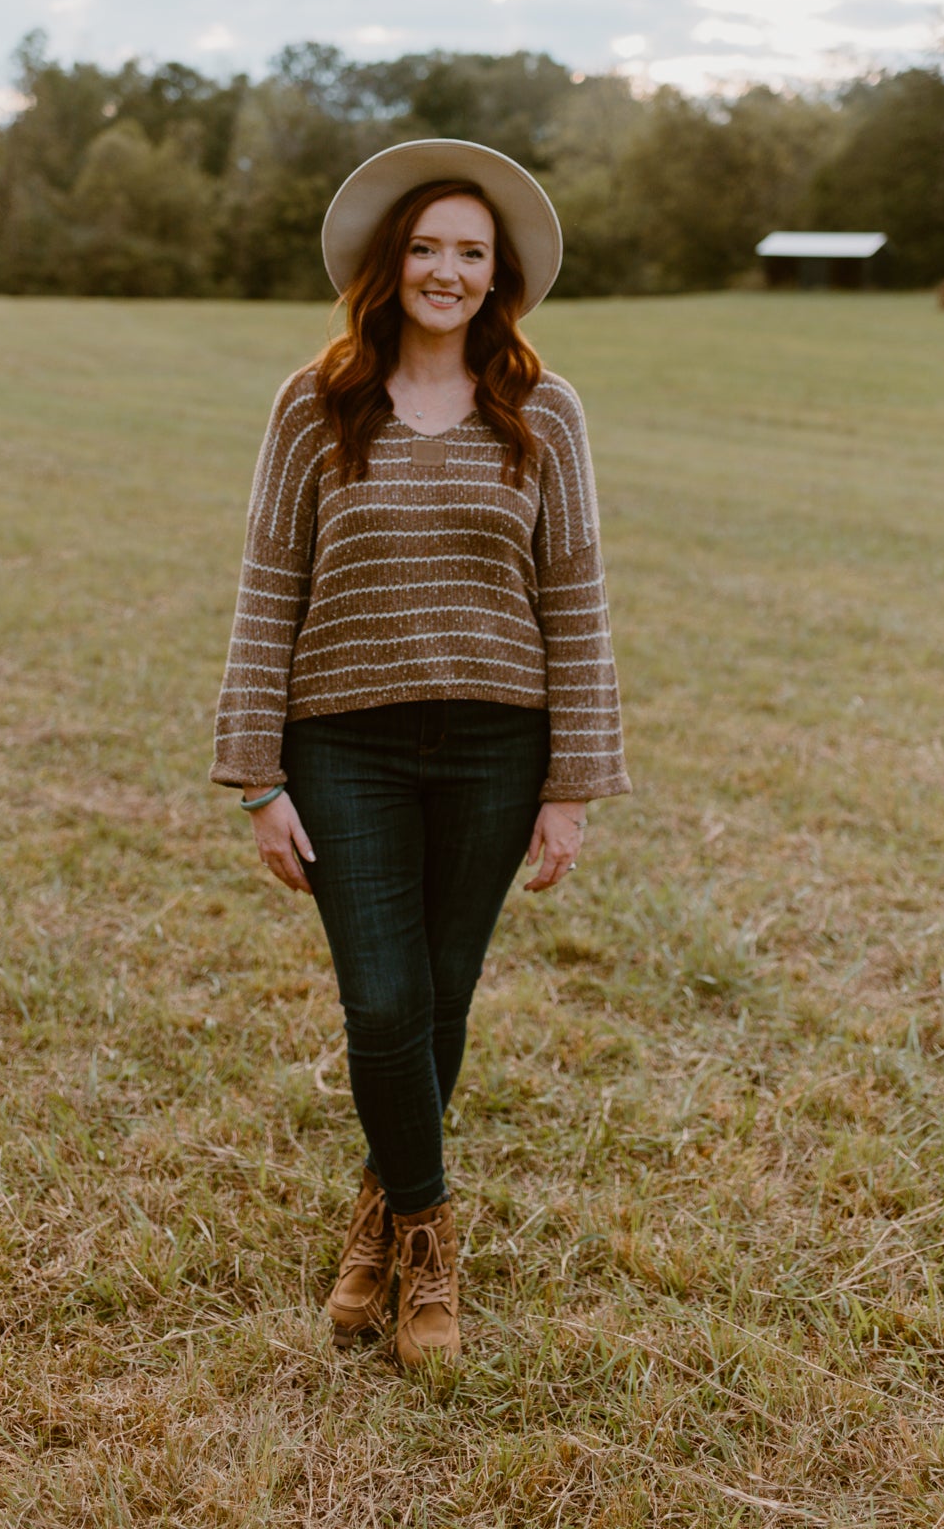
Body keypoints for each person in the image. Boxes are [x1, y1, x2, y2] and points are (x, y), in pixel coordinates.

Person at [211, 137, 630, 1367]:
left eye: (470, 252)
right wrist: (255, 774)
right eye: (427, 247)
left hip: (500, 746)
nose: (446, 270)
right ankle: (426, 1227)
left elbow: (578, 597)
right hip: (343, 743)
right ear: (389, 265)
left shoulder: (544, 409)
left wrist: (571, 785)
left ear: (496, 275)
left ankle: (378, 1220)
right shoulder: (315, 400)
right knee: (383, 998)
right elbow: (265, 584)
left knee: (440, 1002)